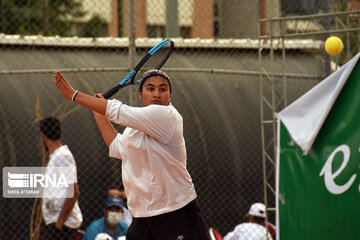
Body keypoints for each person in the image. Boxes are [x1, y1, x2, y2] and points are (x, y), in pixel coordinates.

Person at [54, 69, 209, 239]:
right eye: (150, 89)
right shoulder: (133, 131)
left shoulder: (168, 116)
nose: (157, 94)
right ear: (140, 94)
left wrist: (74, 95)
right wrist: (98, 111)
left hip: (177, 213)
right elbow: (115, 145)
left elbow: (118, 111)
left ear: (170, 96)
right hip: (142, 217)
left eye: (163, 89)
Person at [39, 117, 83, 240]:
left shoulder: (63, 156)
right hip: (56, 223)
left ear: (43, 136)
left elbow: (74, 192)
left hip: (63, 225)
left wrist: (58, 225)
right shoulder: (56, 157)